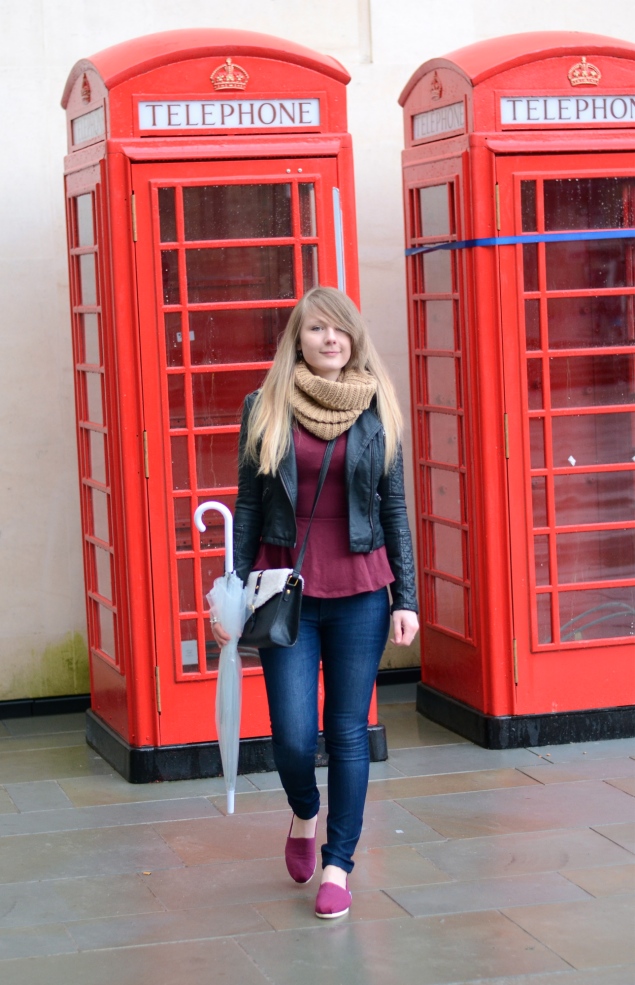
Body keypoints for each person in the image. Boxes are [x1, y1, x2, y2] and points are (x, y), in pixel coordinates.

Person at [211, 286, 419, 919]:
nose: (331, 339)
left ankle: (339, 863)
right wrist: (232, 587)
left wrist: (406, 595)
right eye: (317, 330)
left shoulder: (378, 408)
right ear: (296, 340)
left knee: (349, 733)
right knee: (295, 738)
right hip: (285, 593)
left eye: (341, 330)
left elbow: (394, 509)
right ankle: (305, 811)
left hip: (362, 591)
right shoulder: (265, 405)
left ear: (353, 340)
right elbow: (248, 504)